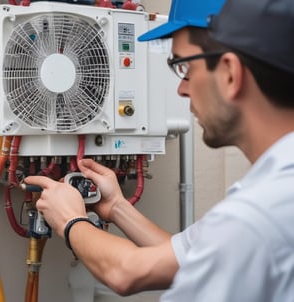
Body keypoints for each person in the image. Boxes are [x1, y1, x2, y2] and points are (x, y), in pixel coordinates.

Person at [25, 0, 294, 300]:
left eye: (184, 67)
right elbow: (190, 258)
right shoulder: (275, 195)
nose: (181, 89)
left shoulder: (255, 217)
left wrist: (71, 221)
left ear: (230, 72)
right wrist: (117, 207)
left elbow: (127, 272)